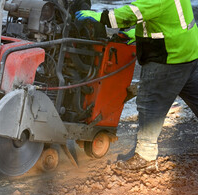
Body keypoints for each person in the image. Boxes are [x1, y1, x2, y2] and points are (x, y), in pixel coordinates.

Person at [75, 0, 198, 170]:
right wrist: (136, 33)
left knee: (150, 104)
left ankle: (145, 156)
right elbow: (164, 16)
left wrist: (99, 16)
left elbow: (130, 14)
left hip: (169, 57)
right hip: (188, 51)